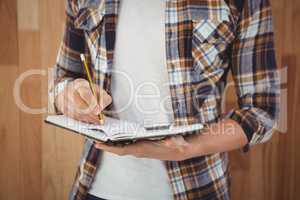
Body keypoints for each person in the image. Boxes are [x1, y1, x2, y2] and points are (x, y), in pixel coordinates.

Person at [50, 0, 280, 199]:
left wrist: (188, 147)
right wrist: (69, 93)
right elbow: (64, 78)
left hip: (199, 188)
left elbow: (262, 111)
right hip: (96, 187)